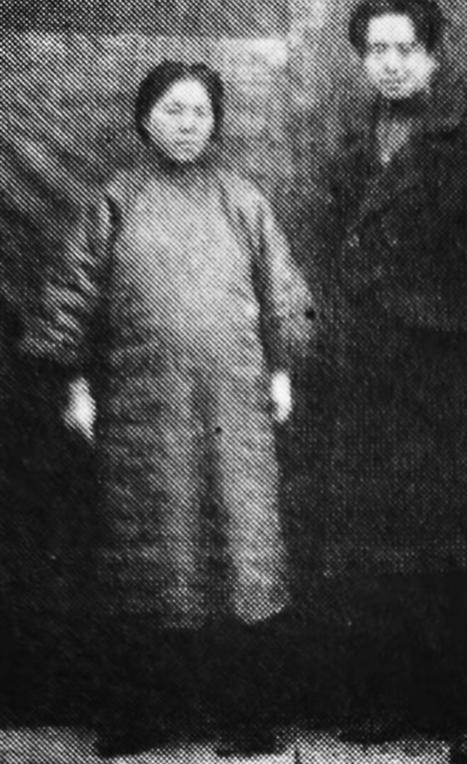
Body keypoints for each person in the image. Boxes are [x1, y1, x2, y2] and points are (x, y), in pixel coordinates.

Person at [20, 60, 313, 758]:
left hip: (235, 406)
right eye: (173, 110)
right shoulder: (115, 201)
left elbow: (282, 290)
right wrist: (75, 383)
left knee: (241, 549)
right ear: (146, 118)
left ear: (216, 122)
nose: (187, 125)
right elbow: (71, 297)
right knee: (152, 552)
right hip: (143, 410)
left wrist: (282, 369)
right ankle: (143, 713)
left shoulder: (242, 200)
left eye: (200, 112)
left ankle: (244, 715)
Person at [316, 0, 467, 762]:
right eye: (375, 50)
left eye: (405, 49)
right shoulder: (349, 150)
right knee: (388, 544)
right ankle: (410, 700)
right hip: (375, 375)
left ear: (434, 57)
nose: (390, 64)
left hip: (457, 375)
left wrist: (459, 320)